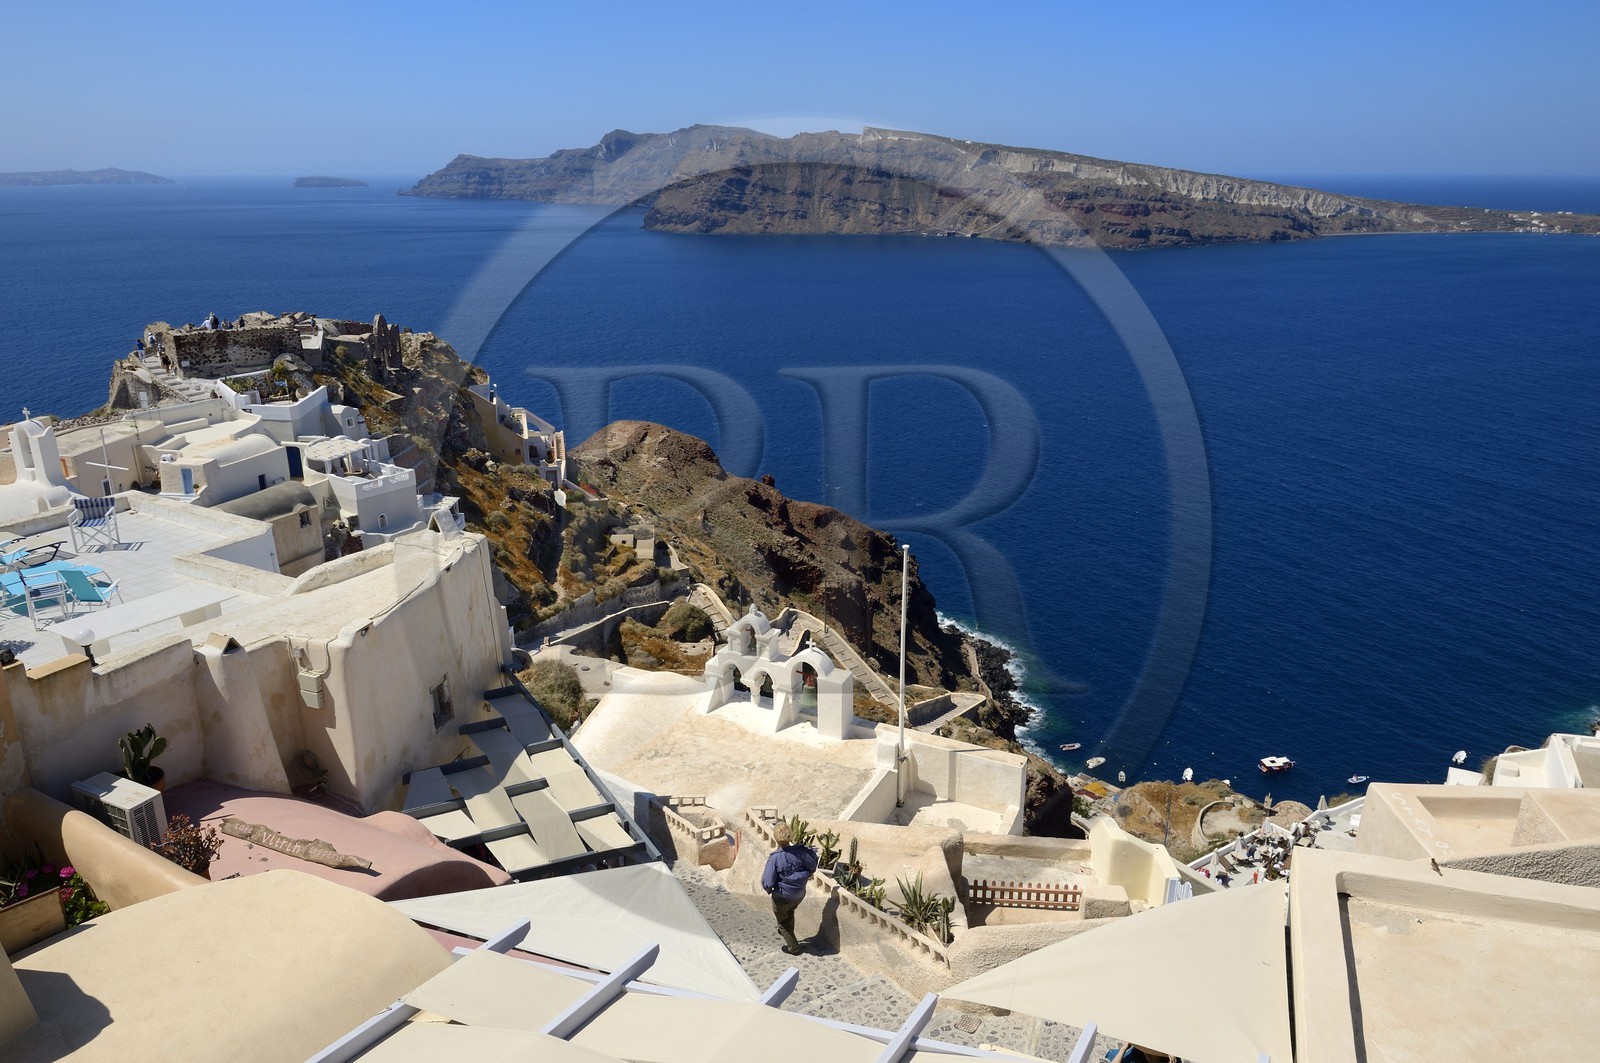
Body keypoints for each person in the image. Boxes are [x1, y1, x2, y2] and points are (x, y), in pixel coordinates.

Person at [761, 821, 818, 955]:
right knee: (790, 911)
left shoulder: (775, 858)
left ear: (776, 838)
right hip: (799, 894)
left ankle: (793, 948)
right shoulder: (801, 852)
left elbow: (767, 881)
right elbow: (812, 865)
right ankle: (787, 930)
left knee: (782, 922)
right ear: (790, 836)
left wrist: (770, 890)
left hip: (783, 896)